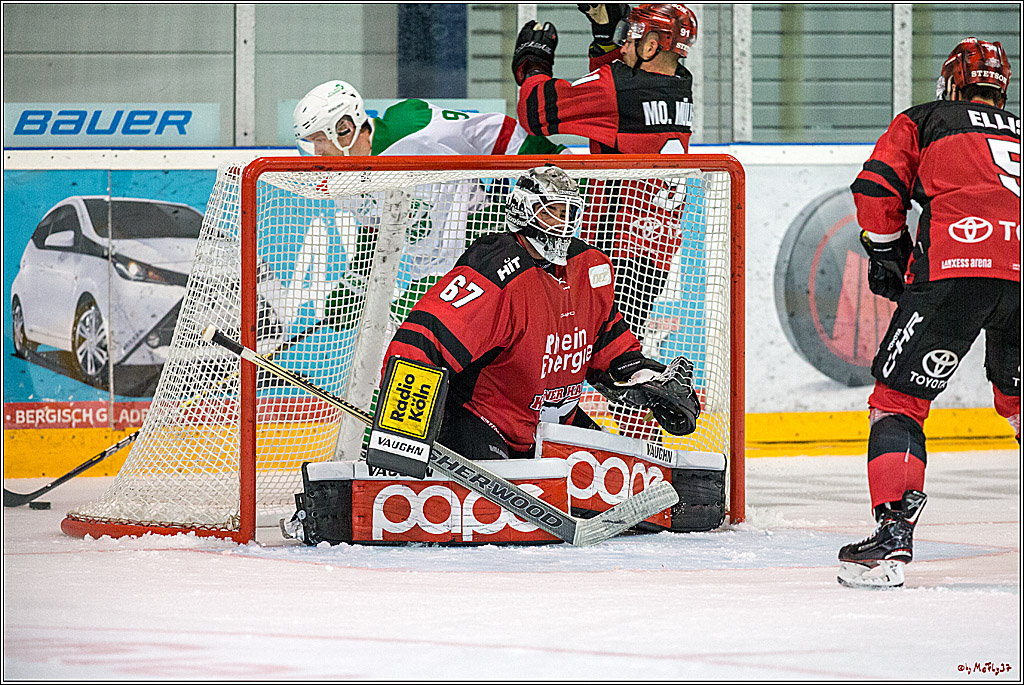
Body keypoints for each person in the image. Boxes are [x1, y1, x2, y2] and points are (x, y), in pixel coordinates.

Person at [840, 37, 1020, 589]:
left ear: (952, 84)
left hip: (955, 272)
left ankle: (892, 536)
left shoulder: (925, 118)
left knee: (898, 402)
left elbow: (876, 189)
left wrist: (887, 250)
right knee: (1017, 400)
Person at [381, 165, 701, 462]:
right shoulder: (495, 269)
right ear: (523, 210)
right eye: (551, 211)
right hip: (484, 422)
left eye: (568, 213)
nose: (562, 223)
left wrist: (647, 378)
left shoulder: (589, 267)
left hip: (552, 429)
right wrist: (401, 436)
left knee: (624, 479)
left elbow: (609, 347)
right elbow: (424, 341)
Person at [511, 5, 701, 440]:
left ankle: (638, 443)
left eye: (632, 36)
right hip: (653, 249)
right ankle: (639, 438)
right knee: (612, 350)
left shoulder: (618, 89)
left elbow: (536, 112)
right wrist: (602, 35)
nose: (624, 43)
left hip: (612, 249)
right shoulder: (679, 83)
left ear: (651, 45)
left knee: (593, 355)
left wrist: (533, 62)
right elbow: (613, 95)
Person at [291, 80, 569, 329]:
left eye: (319, 140)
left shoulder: (411, 126)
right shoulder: (344, 180)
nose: (317, 151)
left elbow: (493, 132)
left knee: (413, 331)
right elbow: (375, 235)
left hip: (482, 244)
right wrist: (352, 288)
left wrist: (556, 161)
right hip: (431, 271)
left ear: (345, 128)